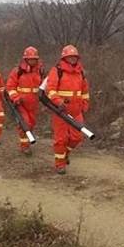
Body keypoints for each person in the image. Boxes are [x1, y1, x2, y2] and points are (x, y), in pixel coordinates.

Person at [45, 45, 89, 174]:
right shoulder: (57, 70)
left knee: (77, 137)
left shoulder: (80, 71)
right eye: (69, 57)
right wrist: (58, 102)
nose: (72, 59)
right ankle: (60, 164)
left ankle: (65, 154)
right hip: (61, 111)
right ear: (64, 58)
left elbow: (85, 90)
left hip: (76, 111)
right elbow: (50, 89)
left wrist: (85, 103)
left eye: (74, 57)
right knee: (61, 139)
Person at [6, 46, 44, 155]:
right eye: (30, 59)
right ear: (25, 59)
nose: (32, 61)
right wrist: (15, 98)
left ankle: (27, 141)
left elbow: (42, 87)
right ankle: (24, 146)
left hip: (34, 104)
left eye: (34, 59)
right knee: (25, 123)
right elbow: (10, 86)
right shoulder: (17, 71)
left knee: (31, 124)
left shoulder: (40, 71)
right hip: (21, 103)